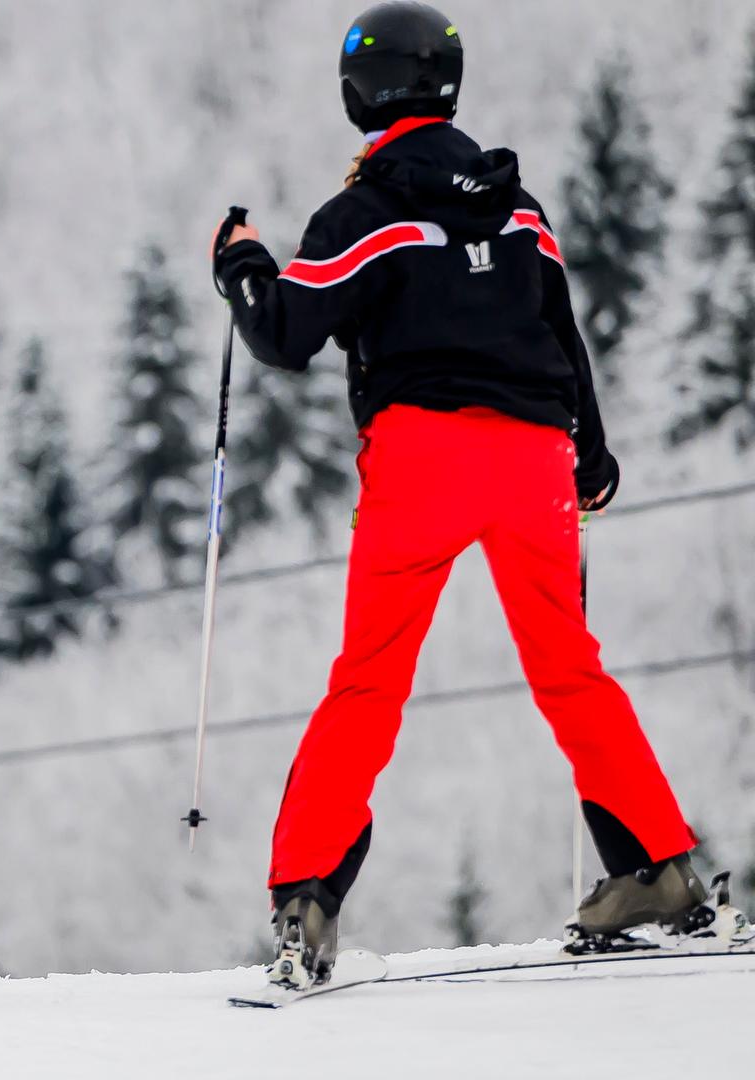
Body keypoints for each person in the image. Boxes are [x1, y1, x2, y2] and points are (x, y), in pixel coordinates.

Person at [212, 2, 721, 988]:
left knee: (369, 682)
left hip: (423, 462)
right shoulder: (516, 204)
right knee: (572, 669)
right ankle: (659, 870)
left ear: (361, 93)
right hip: (537, 461)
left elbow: (285, 332)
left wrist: (240, 265)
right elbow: (562, 330)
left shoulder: (367, 210)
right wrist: (594, 451)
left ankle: (307, 902)